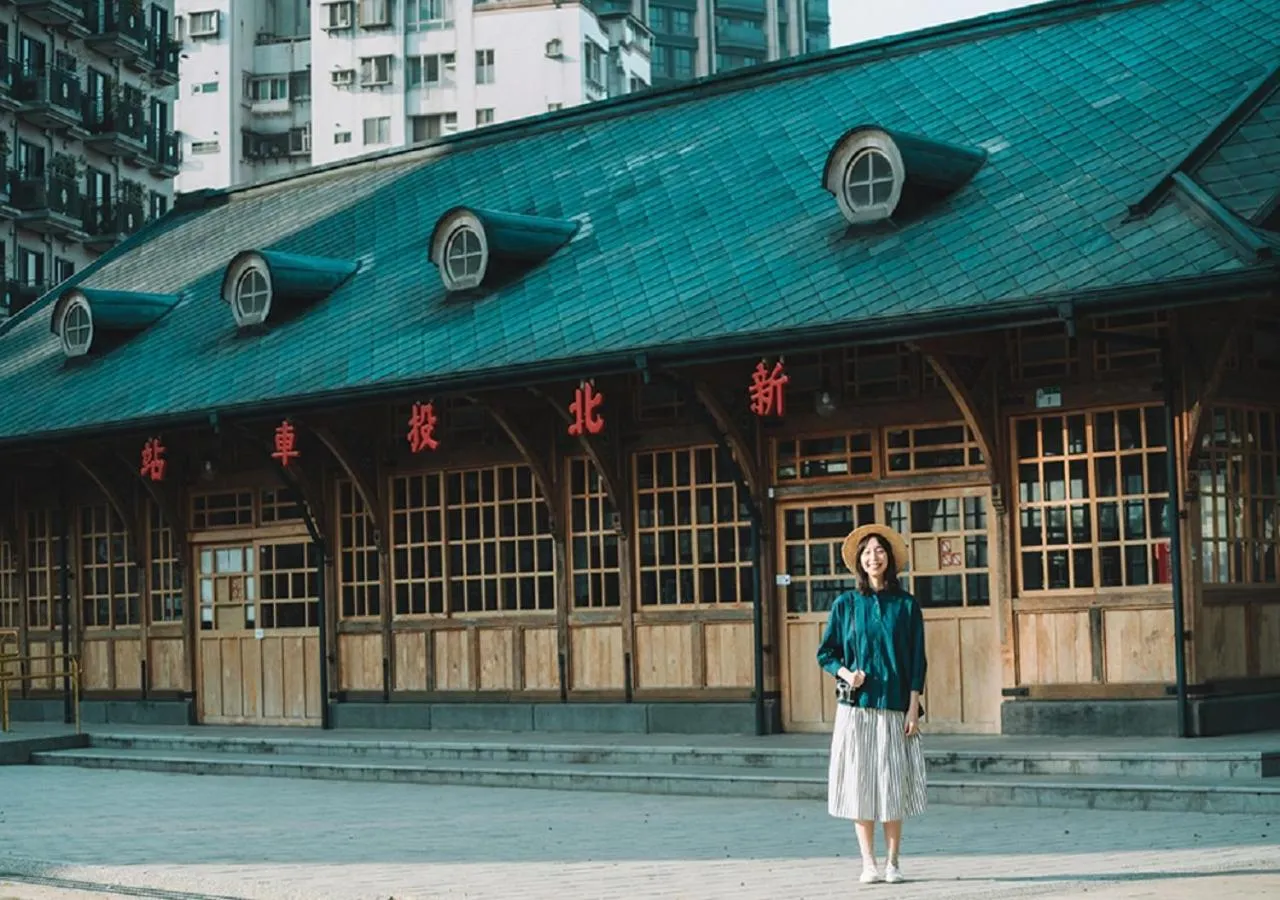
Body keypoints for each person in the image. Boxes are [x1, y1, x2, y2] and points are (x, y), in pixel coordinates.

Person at [816, 522, 927, 885]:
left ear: (890, 559)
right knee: (860, 785)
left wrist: (914, 707)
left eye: (879, 551)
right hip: (856, 708)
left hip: (896, 706)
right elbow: (826, 653)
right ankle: (868, 863)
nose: (873, 557)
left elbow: (917, 660)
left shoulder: (907, 605)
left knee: (892, 785)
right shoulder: (845, 605)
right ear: (859, 562)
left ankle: (894, 862)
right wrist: (846, 674)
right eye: (867, 552)